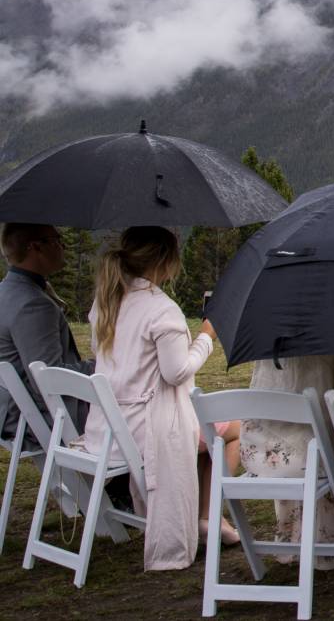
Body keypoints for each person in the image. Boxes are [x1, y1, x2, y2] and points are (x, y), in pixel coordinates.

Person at [84, 226, 236, 570]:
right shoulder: (161, 309)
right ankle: (209, 516)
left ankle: (200, 514)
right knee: (233, 430)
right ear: (167, 263)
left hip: (110, 425)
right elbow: (177, 372)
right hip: (149, 427)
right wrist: (206, 337)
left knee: (204, 428)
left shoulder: (106, 300)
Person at [239, 355, 334, 566]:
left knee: (298, 441)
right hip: (307, 458)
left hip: (259, 456)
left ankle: (293, 539)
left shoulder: (264, 345)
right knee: (330, 438)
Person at [0, 223, 94, 446]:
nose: (63, 246)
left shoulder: (7, 290)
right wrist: (101, 366)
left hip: (10, 410)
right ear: (35, 248)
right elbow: (50, 377)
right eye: (55, 240)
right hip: (35, 418)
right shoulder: (32, 304)